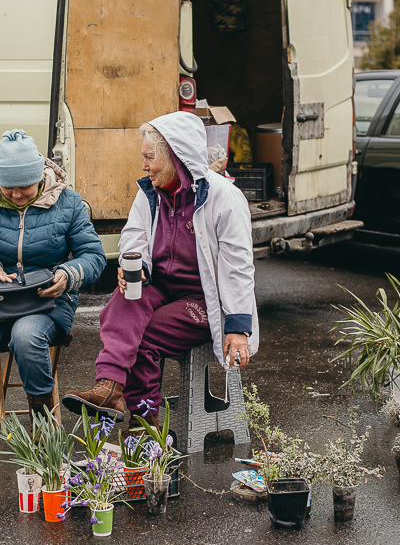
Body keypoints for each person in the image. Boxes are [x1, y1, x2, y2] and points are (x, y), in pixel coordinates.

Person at [62, 111, 258, 426]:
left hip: (203, 301)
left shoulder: (224, 198)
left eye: (150, 157)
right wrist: (134, 263)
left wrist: (237, 326)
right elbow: (133, 236)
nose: (144, 166)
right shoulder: (151, 193)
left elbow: (238, 265)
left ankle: (144, 424)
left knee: (143, 335)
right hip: (162, 287)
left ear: (175, 157)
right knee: (120, 302)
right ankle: (108, 387)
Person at [0, 130, 105, 447]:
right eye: (9, 187)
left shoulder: (68, 203)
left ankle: (42, 421)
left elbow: (94, 257)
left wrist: (68, 274)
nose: (17, 194)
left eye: (25, 186)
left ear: (39, 177)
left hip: (47, 300)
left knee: (26, 336)